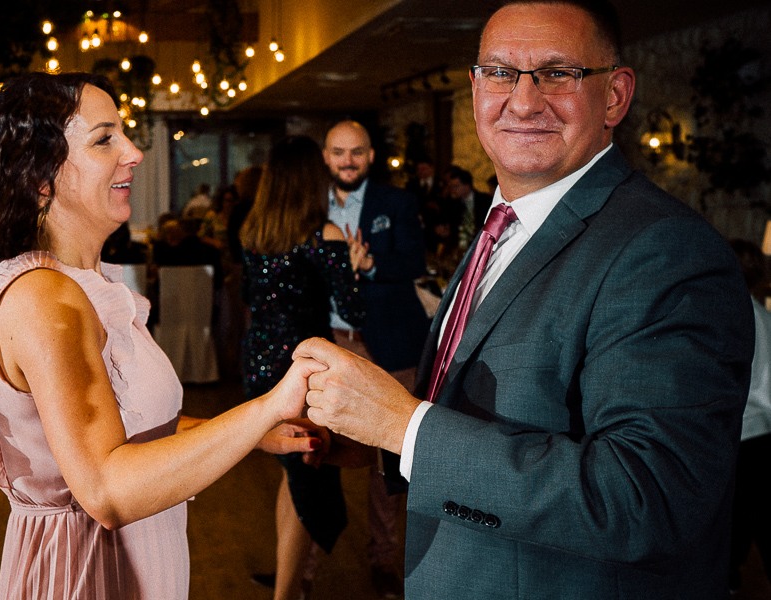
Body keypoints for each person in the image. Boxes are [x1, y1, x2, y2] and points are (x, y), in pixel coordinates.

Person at [294, 2, 754, 598]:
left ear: (615, 96)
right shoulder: (503, 224)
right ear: (475, 89)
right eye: (500, 73)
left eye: (558, 73)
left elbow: (646, 499)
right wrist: (380, 443)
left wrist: (404, 427)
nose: (524, 100)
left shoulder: (667, 251)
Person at [0, 72, 324, 600]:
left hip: (131, 552)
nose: (134, 153)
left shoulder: (89, 286)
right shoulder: (44, 300)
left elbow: (133, 424)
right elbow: (107, 490)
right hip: (88, 568)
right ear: (40, 177)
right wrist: (265, 408)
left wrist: (252, 432)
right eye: (105, 140)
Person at [240, 135, 366, 600]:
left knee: (293, 474)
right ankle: (287, 594)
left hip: (259, 362)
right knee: (307, 479)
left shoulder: (254, 232)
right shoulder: (324, 236)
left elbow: (248, 296)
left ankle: (287, 582)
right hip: (303, 370)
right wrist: (354, 266)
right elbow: (353, 311)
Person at [322, 120, 430, 597]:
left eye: (356, 152)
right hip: (330, 343)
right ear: (326, 156)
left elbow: (414, 261)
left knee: (390, 459)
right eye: (338, 152)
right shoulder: (311, 206)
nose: (347, 161)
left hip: (391, 344)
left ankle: (383, 559)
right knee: (313, 452)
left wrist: (370, 264)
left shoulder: (397, 202)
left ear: (370, 155)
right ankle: (302, 567)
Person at [729, 239, 771, 593]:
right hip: (760, 437)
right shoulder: (763, 318)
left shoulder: (727, 315)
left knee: (731, 528)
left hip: (738, 437)